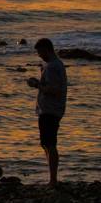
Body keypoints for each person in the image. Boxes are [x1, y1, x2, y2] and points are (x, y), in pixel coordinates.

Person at [26, 37, 67, 187]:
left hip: (50, 109)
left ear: (46, 49)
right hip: (50, 109)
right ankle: (52, 178)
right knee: (46, 144)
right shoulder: (54, 65)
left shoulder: (53, 67)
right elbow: (52, 86)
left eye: (39, 52)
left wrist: (37, 84)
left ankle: (53, 180)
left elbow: (54, 90)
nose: (38, 55)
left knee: (50, 144)